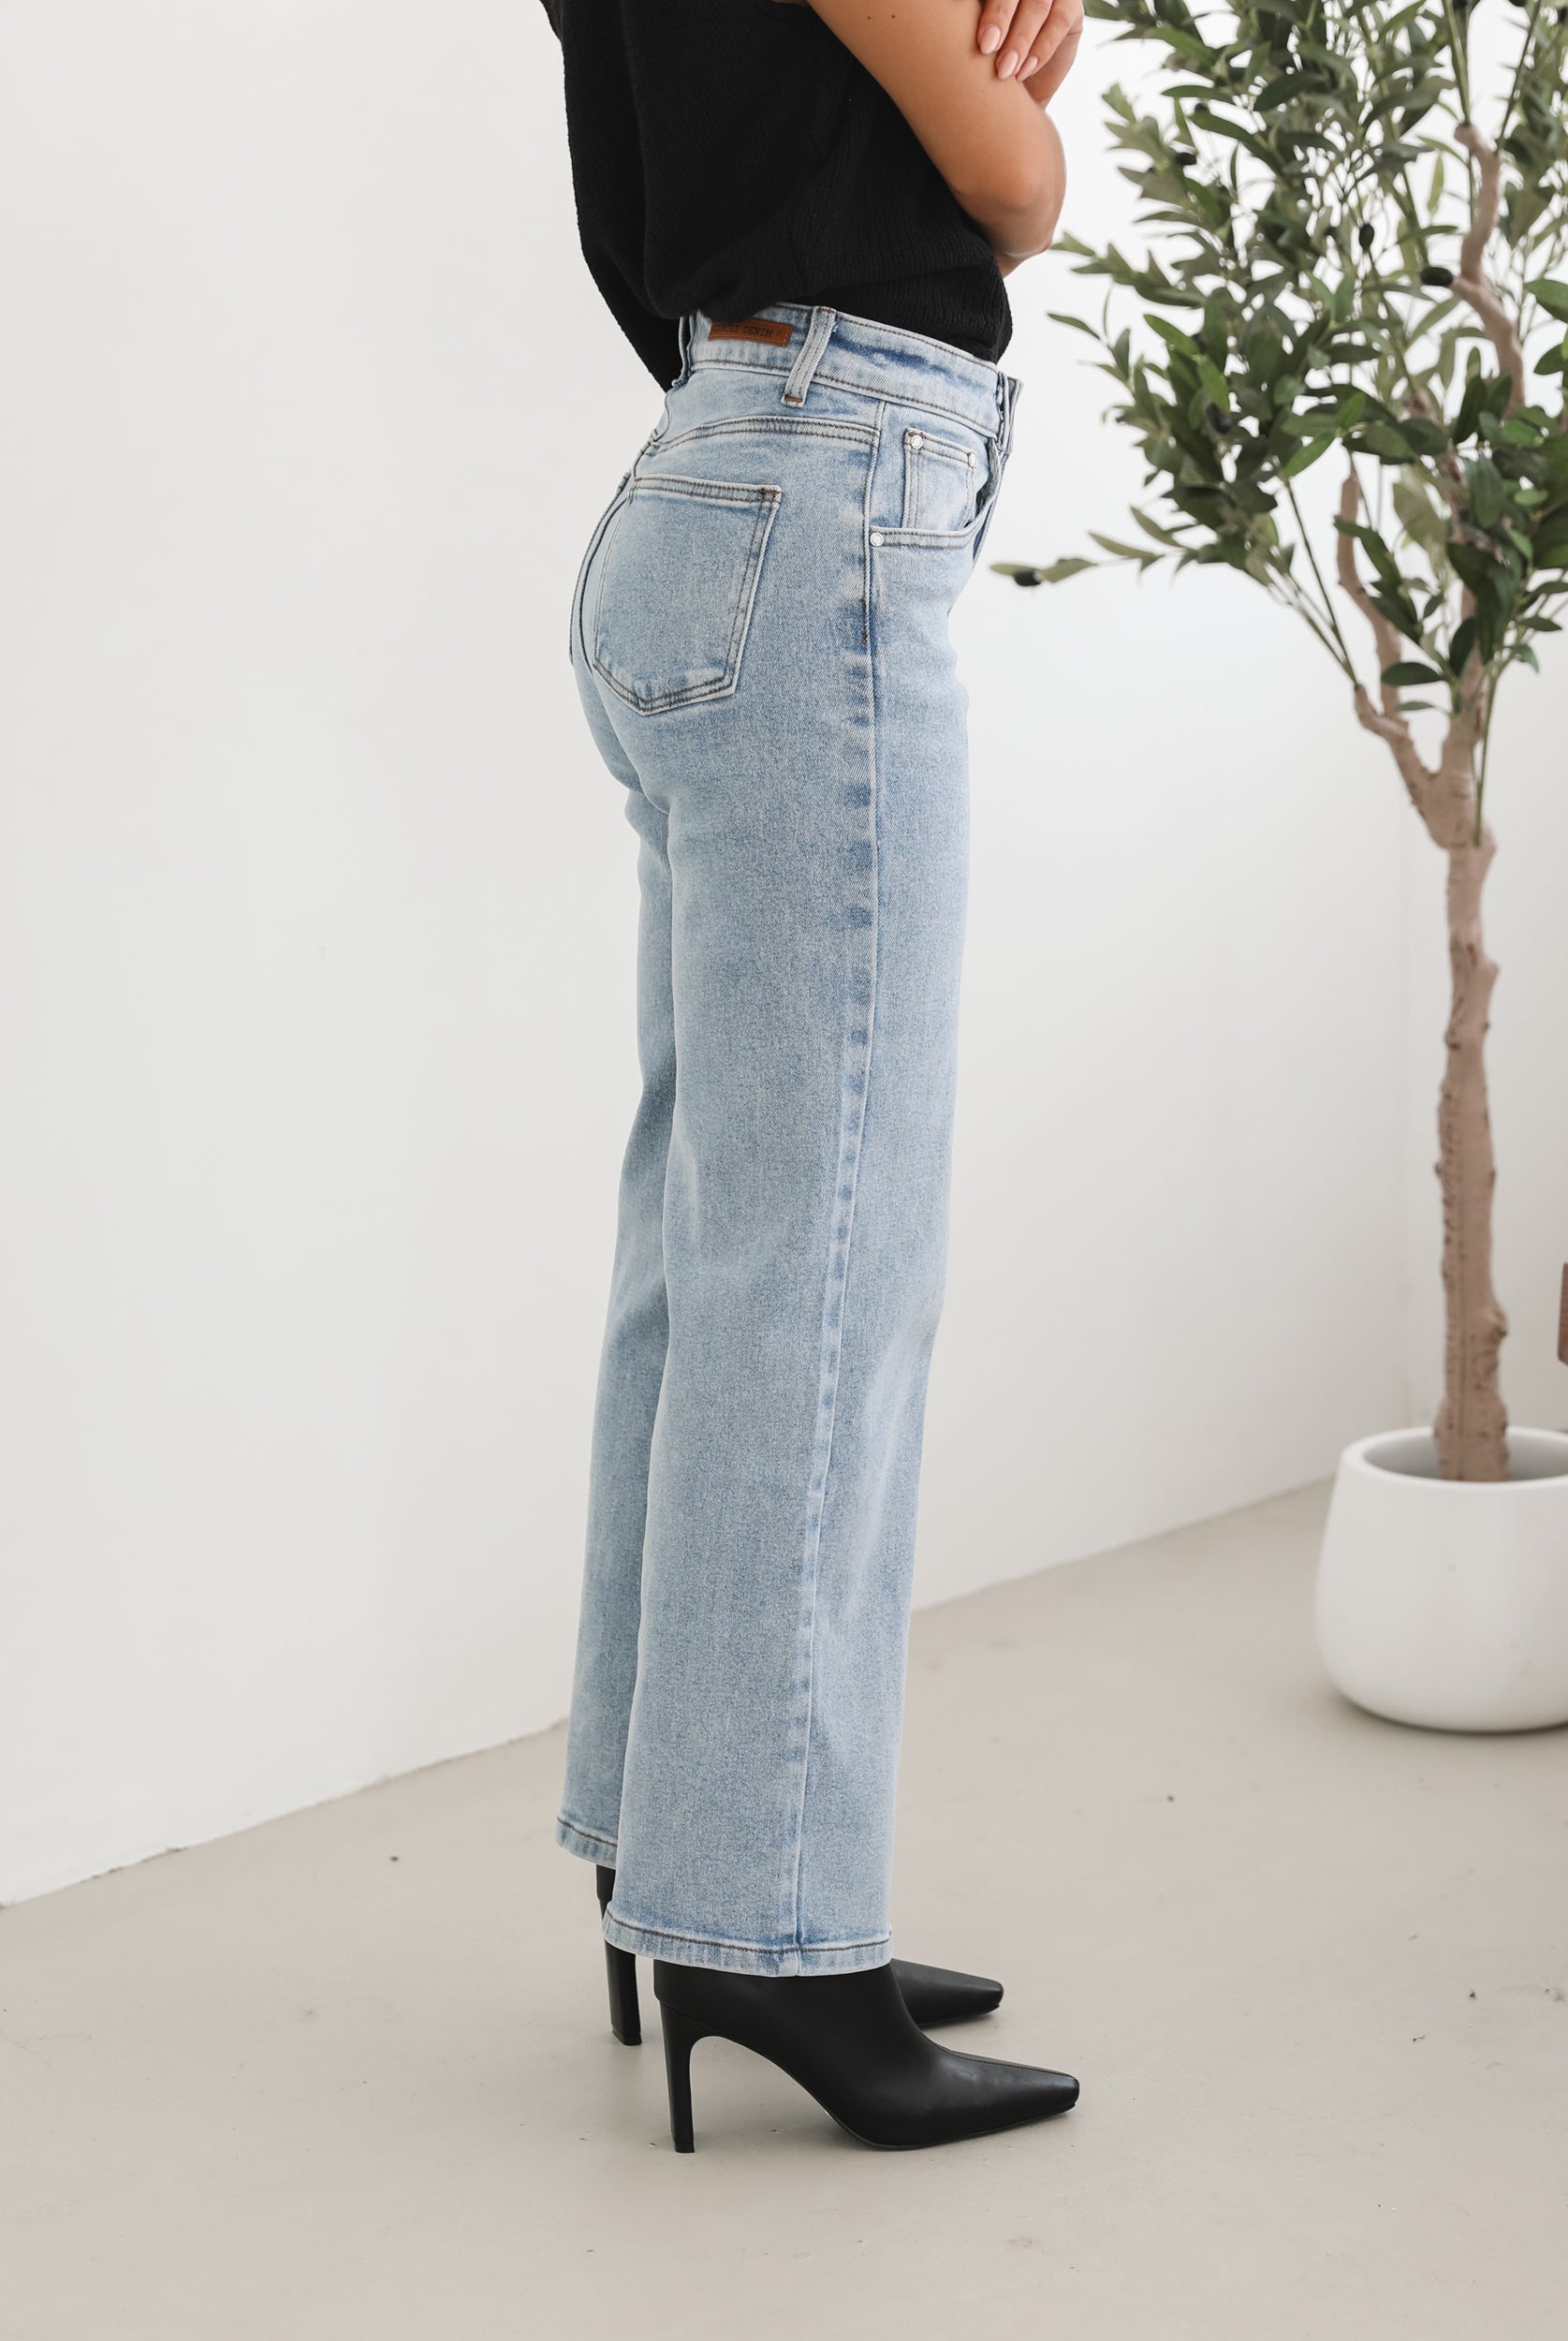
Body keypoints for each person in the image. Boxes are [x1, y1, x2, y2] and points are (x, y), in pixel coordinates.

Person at [540, 0, 1082, 2152]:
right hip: (824, 489)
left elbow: (641, 219)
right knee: (823, 1251)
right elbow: (1015, 186)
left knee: (716, 1237)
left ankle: (667, 1846)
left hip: (709, 476)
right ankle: (767, 1924)